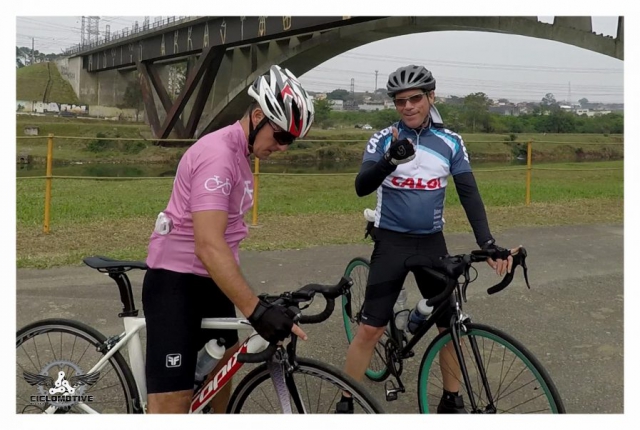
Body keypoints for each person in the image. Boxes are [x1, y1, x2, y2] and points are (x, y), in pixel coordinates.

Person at [338, 65, 513, 414]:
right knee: (370, 330)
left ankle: (451, 399)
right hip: (391, 243)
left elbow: (469, 193)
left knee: (450, 327)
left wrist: (487, 242)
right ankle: (345, 402)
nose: (407, 106)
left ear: (431, 97)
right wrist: (389, 160)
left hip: (432, 243)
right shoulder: (382, 139)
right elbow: (361, 187)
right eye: (400, 101)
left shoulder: (451, 142)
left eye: (415, 98)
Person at [141, 65, 315, 413]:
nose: (283, 148)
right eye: (282, 136)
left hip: (211, 278)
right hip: (177, 279)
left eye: (291, 141)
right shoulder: (218, 157)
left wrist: (260, 304)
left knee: (221, 374)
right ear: (257, 117)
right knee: (172, 402)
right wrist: (257, 311)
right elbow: (208, 244)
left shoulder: (239, 153)